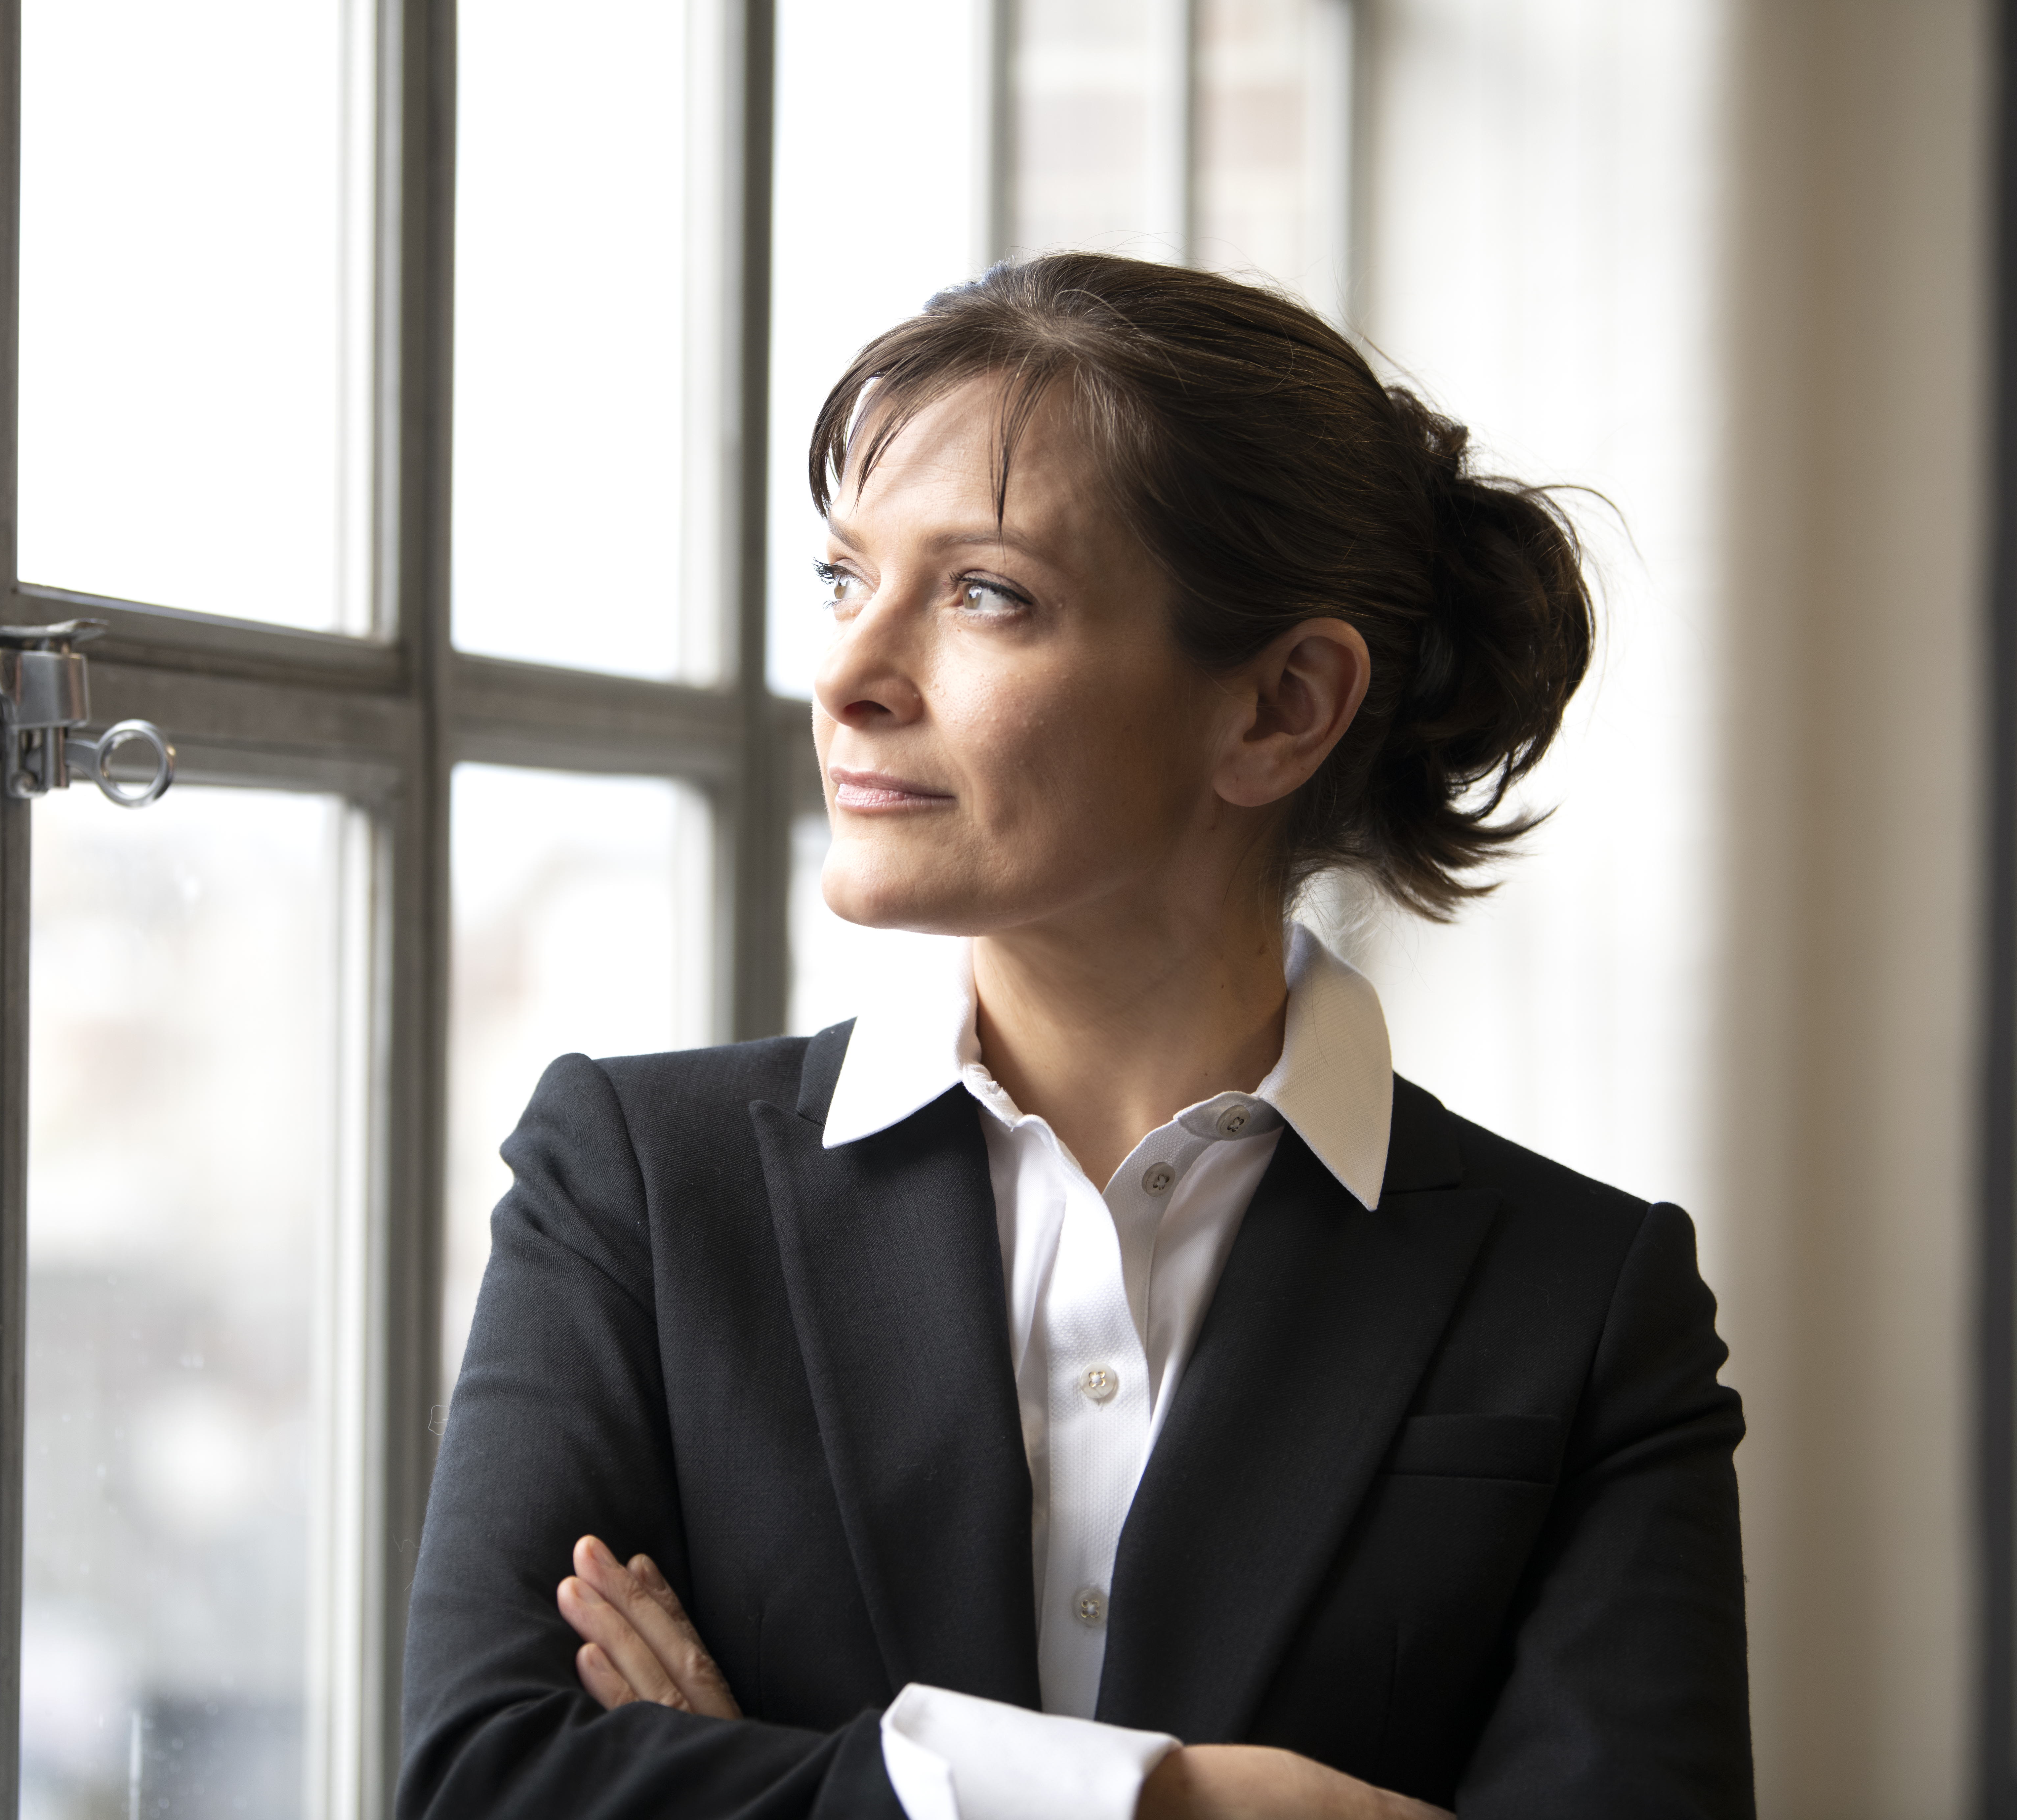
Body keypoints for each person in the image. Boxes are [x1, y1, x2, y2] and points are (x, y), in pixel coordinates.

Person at [396, 253, 1750, 1820]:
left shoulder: (1582, 1301)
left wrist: (791, 1774)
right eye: (846, 578)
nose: (845, 673)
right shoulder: (637, 1185)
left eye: (985, 593)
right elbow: (492, 1783)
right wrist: (1200, 1804)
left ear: (1281, 706)